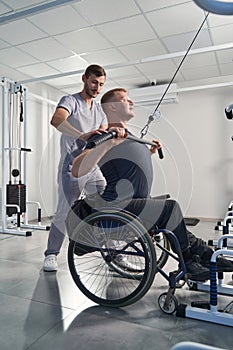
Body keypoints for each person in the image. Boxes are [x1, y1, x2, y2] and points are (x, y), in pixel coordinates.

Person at [70, 87, 233, 281]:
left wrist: (149, 152)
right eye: (125, 99)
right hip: (114, 208)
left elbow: (127, 166)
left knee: (171, 215)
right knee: (170, 208)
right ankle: (188, 263)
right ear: (112, 107)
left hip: (133, 205)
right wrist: (108, 143)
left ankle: (206, 255)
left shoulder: (129, 136)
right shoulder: (104, 136)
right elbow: (77, 169)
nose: (131, 102)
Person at [43, 64, 108, 272]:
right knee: (64, 211)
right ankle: (51, 254)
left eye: (101, 85)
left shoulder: (99, 109)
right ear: (84, 79)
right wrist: (81, 135)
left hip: (92, 167)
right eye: (94, 82)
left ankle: (112, 252)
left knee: (106, 200)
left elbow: (103, 136)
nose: (97, 88)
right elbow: (57, 120)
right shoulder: (70, 101)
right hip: (72, 167)